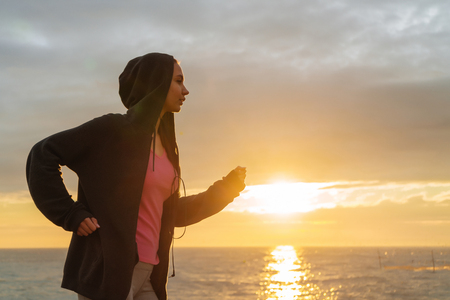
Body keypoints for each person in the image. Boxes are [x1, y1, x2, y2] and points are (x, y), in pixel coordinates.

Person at [26, 53, 246, 300]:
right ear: (156, 83)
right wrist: (70, 213)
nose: (185, 91)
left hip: (148, 274)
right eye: (178, 81)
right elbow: (42, 155)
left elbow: (169, 213)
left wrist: (225, 191)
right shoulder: (112, 131)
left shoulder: (167, 148)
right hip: (109, 276)